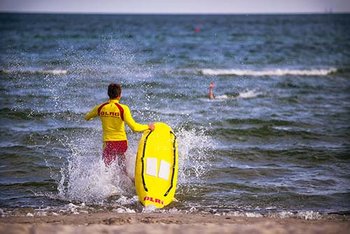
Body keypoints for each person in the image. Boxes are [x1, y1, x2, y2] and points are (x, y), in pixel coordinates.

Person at [85, 83, 154, 174]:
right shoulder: (123, 109)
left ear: (108, 94)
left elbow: (87, 117)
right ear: (119, 95)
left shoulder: (101, 108)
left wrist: (98, 116)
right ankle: (128, 183)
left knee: (107, 170)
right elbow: (134, 127)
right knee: (122, 169)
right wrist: (148, 127)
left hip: (108, 143)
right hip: (121, 143)